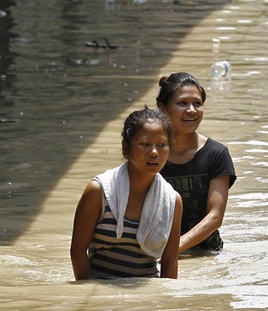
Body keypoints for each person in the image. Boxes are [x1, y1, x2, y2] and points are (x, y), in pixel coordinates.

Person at [70, 108, 183, 280]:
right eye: (145, 144)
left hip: (147, 289)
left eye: (161, 145)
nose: (154, 152)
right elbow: (77, 251)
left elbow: (169, 261)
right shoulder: (99, 191)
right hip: (100, 288)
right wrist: (89, 294)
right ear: (126, 148)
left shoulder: (172, 200)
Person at [155, 73, 237, 254]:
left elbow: (215, 217)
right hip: (156, 250)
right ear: (163, 109)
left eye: (197, 103)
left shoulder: (216, 154)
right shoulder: (152, 154)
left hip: (206, 253)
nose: (191, 110)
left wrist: (174, 249)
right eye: (182, 103)